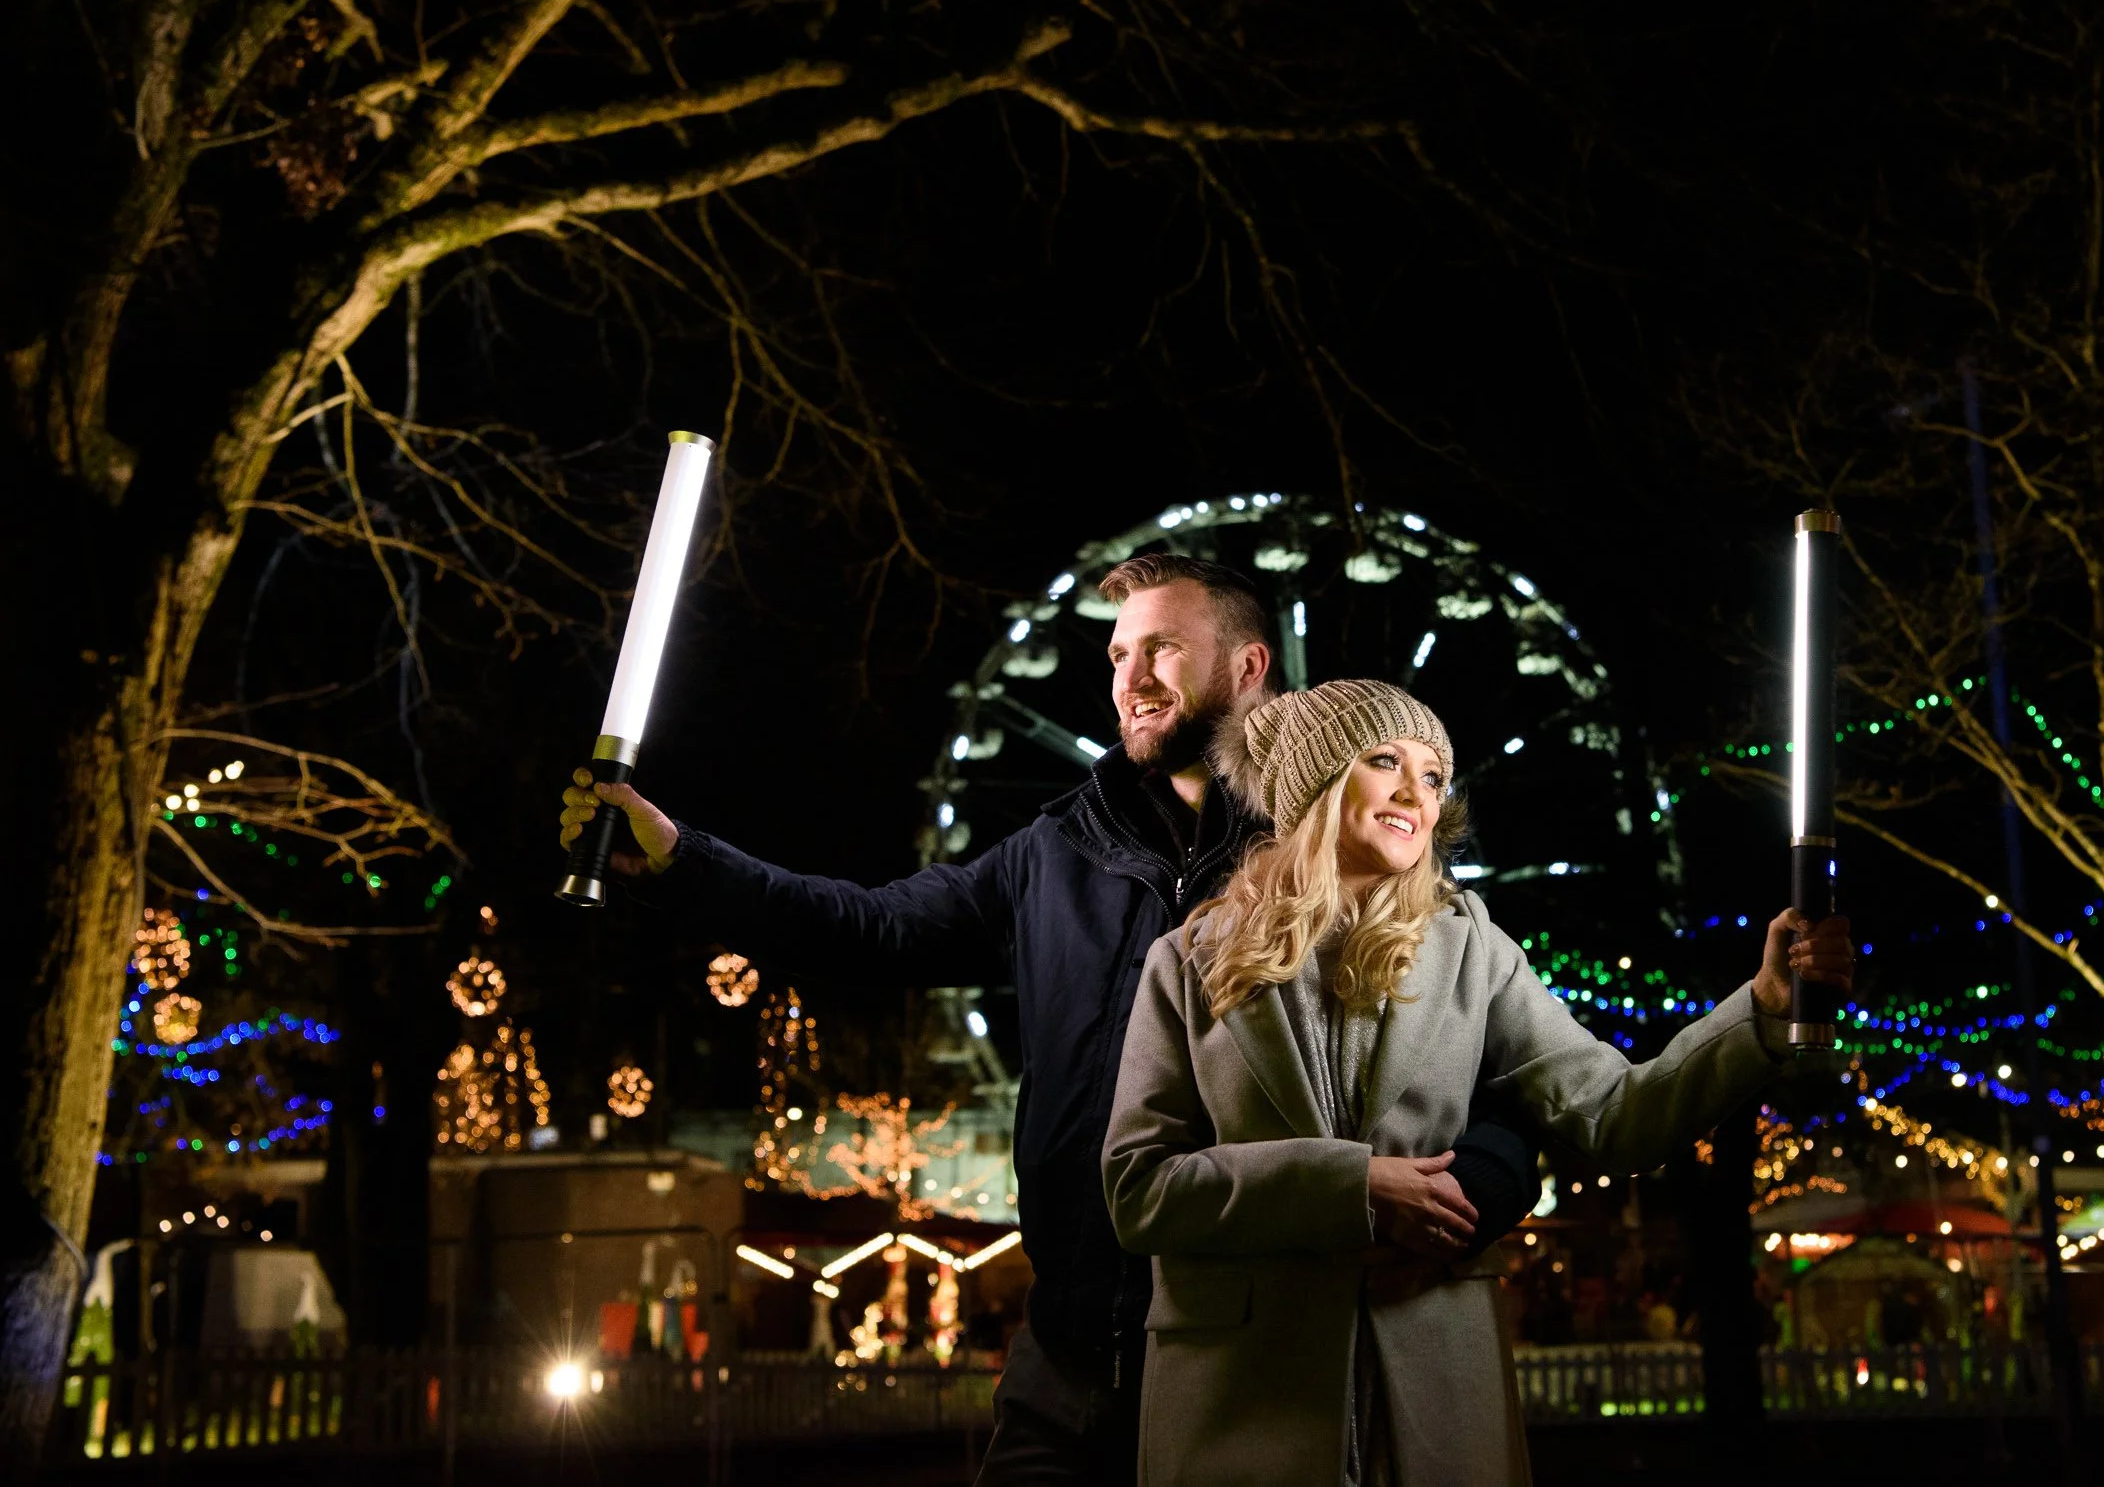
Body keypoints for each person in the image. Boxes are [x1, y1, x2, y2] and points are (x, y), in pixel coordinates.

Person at [557, 557, 1541, 1484]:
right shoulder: (1052, 852)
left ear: (1251, 668)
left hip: (1257, 1361)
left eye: (1161, 647)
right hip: (1070, 1358)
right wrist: (685, 859)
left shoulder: (1352, 854)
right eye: (1118, 654)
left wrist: (1476, 1191)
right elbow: (873, 930)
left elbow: (1504, 1073)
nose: (1130, 676)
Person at [1102, 680, 1855, 1486]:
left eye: (1433, 776)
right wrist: (1353, 1184)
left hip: (1433, 1396)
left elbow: (1618, 1114)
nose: (1414, 793)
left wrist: (1763, 1009)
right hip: (1240, 1409)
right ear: (1314, 785)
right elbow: (1138, 1188)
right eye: (1384, 760)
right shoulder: (1187, 964)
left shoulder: (1475, 951)